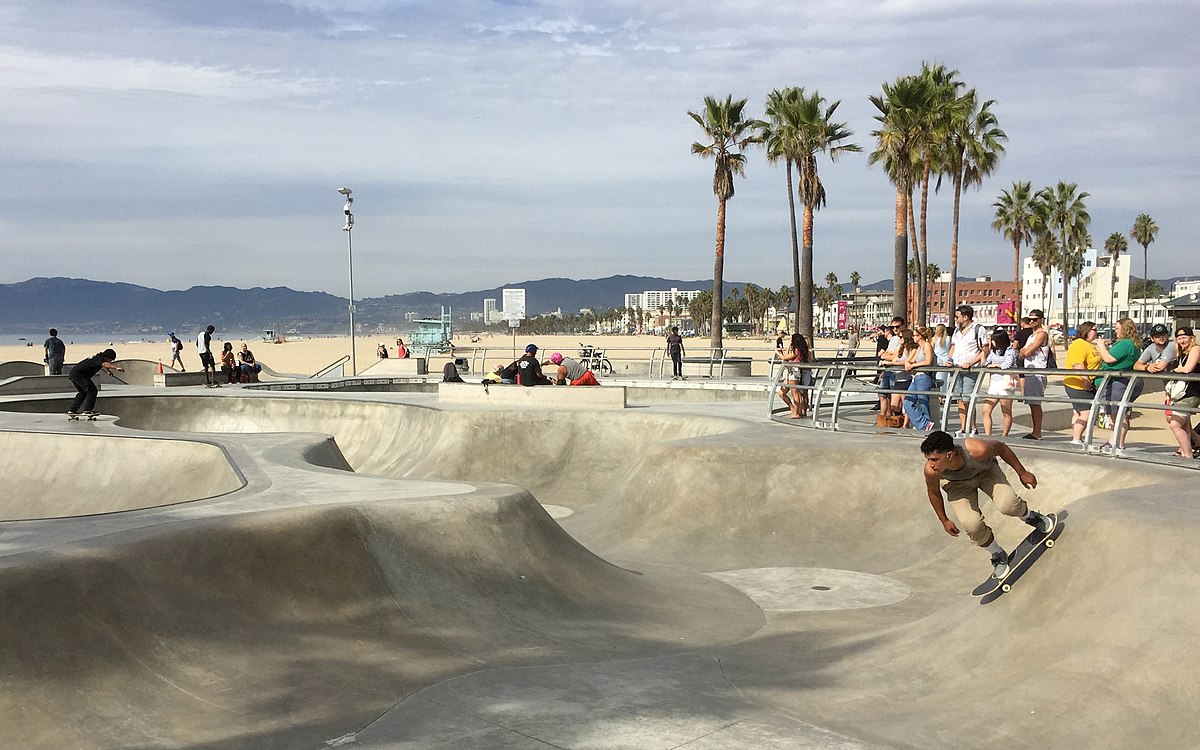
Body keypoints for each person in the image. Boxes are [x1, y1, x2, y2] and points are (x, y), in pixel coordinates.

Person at [920, 430, 1055, 580]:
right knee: (972, 526)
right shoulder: (931, 471)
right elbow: (933, 492)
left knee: (1008, 504)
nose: (931, 465)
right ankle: (997, 554)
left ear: (949, 455)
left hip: (986, 472)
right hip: (957, 486)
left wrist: (1022, 473)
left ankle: (1030, 517)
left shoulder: (977, 449)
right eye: (928, 459)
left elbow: (1002, 448)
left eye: (934, 459)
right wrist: (944, 520)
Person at [1094, 318, 1142, 450]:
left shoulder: (1126, 343)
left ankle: (1118, 443)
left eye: (1117, 328)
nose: (1115, 331)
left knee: (1119, 413)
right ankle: (1114, 441)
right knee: (1115, 413)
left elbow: (1109, 359)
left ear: (1124, 329)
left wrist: (1101, 345)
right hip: (1118, 381)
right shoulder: (1130, 343)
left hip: (1120, 382)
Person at [1063, 321, 1101, 445]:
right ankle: (1076, 438)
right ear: (1087, 330)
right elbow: (1077, 364)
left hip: (1085, 383)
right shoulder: (1079, 344)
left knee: (1078, 412)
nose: (1097, 332)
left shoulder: (1090, 345)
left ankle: (1076, 436)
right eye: (1094, 330)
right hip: (1078, 384)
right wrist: (1086, 380)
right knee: (1086, 413)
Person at [1165, 326, 1200, 459]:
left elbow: (1188, 369)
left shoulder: (1196, 348)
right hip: (1180, 393)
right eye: (1179, 338)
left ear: (1191, 338)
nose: (1181, 341)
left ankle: (1187, 454)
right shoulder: (1181, 353)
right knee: (1183, 424)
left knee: (1175, 424)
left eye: (1184, 337)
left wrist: (1175, 371)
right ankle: (1194, 445)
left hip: (1193, 393)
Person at [1017, 310, 1051, 440]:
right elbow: (1021, 352)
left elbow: (1027, 352)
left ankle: (1037, 432)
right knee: (1032, 403)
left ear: (1041, 320)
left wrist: (1024, 351)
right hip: (1030, 371)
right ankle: (1035, 431)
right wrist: (1023, 351)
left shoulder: (1042, 334)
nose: (1031, 321)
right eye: (1030, 319)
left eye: (1034, 319)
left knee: (1036, 404)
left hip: (1037, 372)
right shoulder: (1032, 335)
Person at [981, 328, 1018, 436]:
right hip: (994, 384)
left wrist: (996, 365)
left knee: (1006, 412)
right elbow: (985, 364)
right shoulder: (993, 352)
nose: (991, 342)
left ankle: (1004, 435)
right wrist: (985, 352)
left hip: (1004, 383)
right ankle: (988, 435)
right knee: (986, 410)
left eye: (993, 340)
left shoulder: (1009, 351)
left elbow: (1007, 364)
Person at [67, 348, 124, 417]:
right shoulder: (100, 358)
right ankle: (88, 410)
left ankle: (72, 410)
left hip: (74, 374)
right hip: (80, 375)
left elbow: (104, 364)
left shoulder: (99, 357)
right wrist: (116, 368)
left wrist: (108, 371)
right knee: (92, 391)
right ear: (107, 357)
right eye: (111, 360)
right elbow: (105, 364)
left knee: (83, 392)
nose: (110, 361)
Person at [902, 326, 936, 431]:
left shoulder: (927, 346)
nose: (912, 337)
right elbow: (911, 360)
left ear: (920, 336)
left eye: (914, 335)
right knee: (907, 402)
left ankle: (925, 424)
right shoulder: (918, 348)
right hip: (916, 377)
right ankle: (924, 423)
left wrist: (913, 366)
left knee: (923, 402)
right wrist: (908, 363)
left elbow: (928, 361)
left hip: (924, 377)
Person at [778, 333, 813, 418]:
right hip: (792, 372)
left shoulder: (797, 351)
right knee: (782, 393)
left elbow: (784, 357)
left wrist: (777, 352)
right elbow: (787, 356)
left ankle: (796, 413)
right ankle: (794, 409)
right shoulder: (798, 350)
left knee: (796, 393)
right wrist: (789, 346)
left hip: (794, 371)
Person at [931, 323, 951, 390]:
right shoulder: (949, 338)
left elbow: (932, 350)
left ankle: (941, 394)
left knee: (939, 377)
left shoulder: (934, 339)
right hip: (947, 359)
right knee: (947, 378)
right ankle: (946, 393)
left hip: (938, 359)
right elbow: (951, 349)